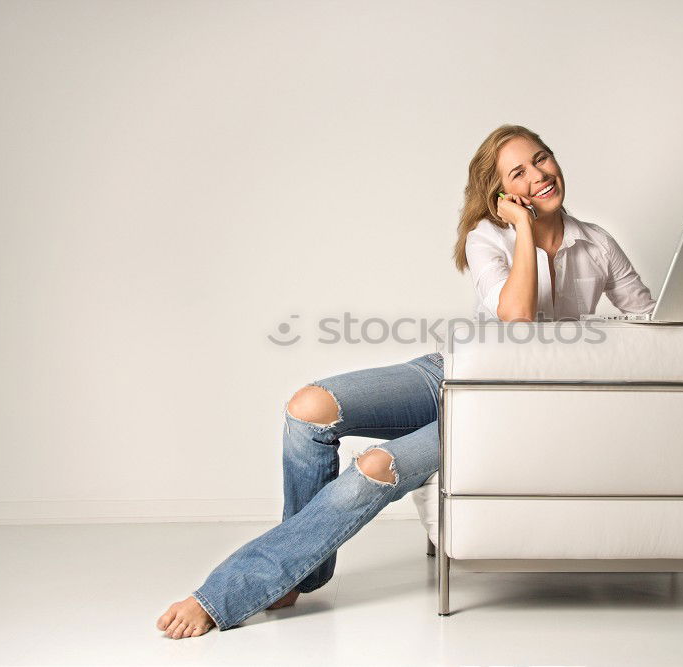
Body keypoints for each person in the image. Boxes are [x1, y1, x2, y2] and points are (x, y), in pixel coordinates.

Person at [155, 124, 657, 638]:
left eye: (542, 159)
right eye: (519, 172)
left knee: (376, 466)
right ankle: (297, 571)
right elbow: (516, 318)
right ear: (501, 194)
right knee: (308, 407)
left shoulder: (597, 244)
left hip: (504, 406)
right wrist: (519, 231)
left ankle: (229, 593)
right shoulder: (488, 238)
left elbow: (644, 325)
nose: (539, 176)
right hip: (453, 371)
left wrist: (529, 233)